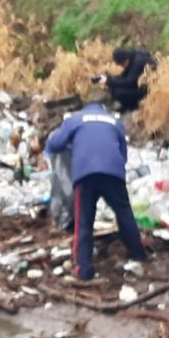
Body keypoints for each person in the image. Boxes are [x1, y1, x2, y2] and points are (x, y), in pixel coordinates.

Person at [45, 89, 147, 282]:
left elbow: (56, 143)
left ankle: (83, 269)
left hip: (85, 175)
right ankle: (138, 253)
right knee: (124, 213)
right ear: (104, 106)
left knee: (84, 221)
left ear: (85, 104)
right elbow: (122, 153)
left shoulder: (75, 120)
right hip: (113, 174)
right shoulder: (114, 121)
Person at [99, 47, 156, 113]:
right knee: (113, 87)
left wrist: (108, 81)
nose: (122, 66)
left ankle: (133, 106)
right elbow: (124, 76)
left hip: (148, 91)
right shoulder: (132, 59)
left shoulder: (138, 62)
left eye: (121, 64)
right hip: (139, 85)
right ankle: (127, 106)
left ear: (125, 59)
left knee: (118, 92)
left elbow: (130, 83)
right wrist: (109, 78)